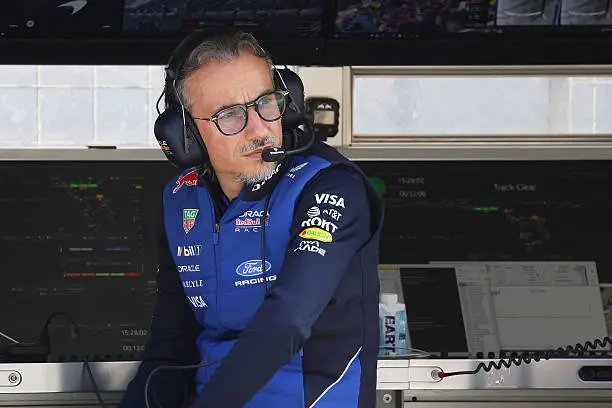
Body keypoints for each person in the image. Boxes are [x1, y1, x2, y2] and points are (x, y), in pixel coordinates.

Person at [118, 29, 384, 408]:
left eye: (266, 103)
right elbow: (171, 345)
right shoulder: (180, 199)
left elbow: (287, 322)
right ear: (186, 135)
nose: (260, 130)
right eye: (230, 115)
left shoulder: (331, 185)